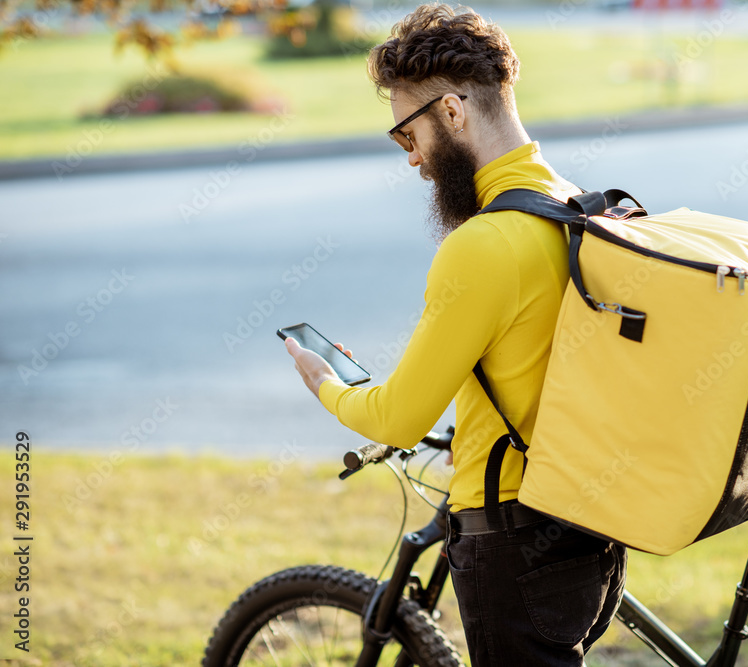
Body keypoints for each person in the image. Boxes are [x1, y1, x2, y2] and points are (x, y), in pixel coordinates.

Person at [285, 4, 627, 665]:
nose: (410, 160)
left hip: (513, 538)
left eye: (405, 134)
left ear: (451, 113)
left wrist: (327, 383)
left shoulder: (486, 243)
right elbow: (540, 361)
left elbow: (398, 418)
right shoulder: (579, 206)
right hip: (586, 522)